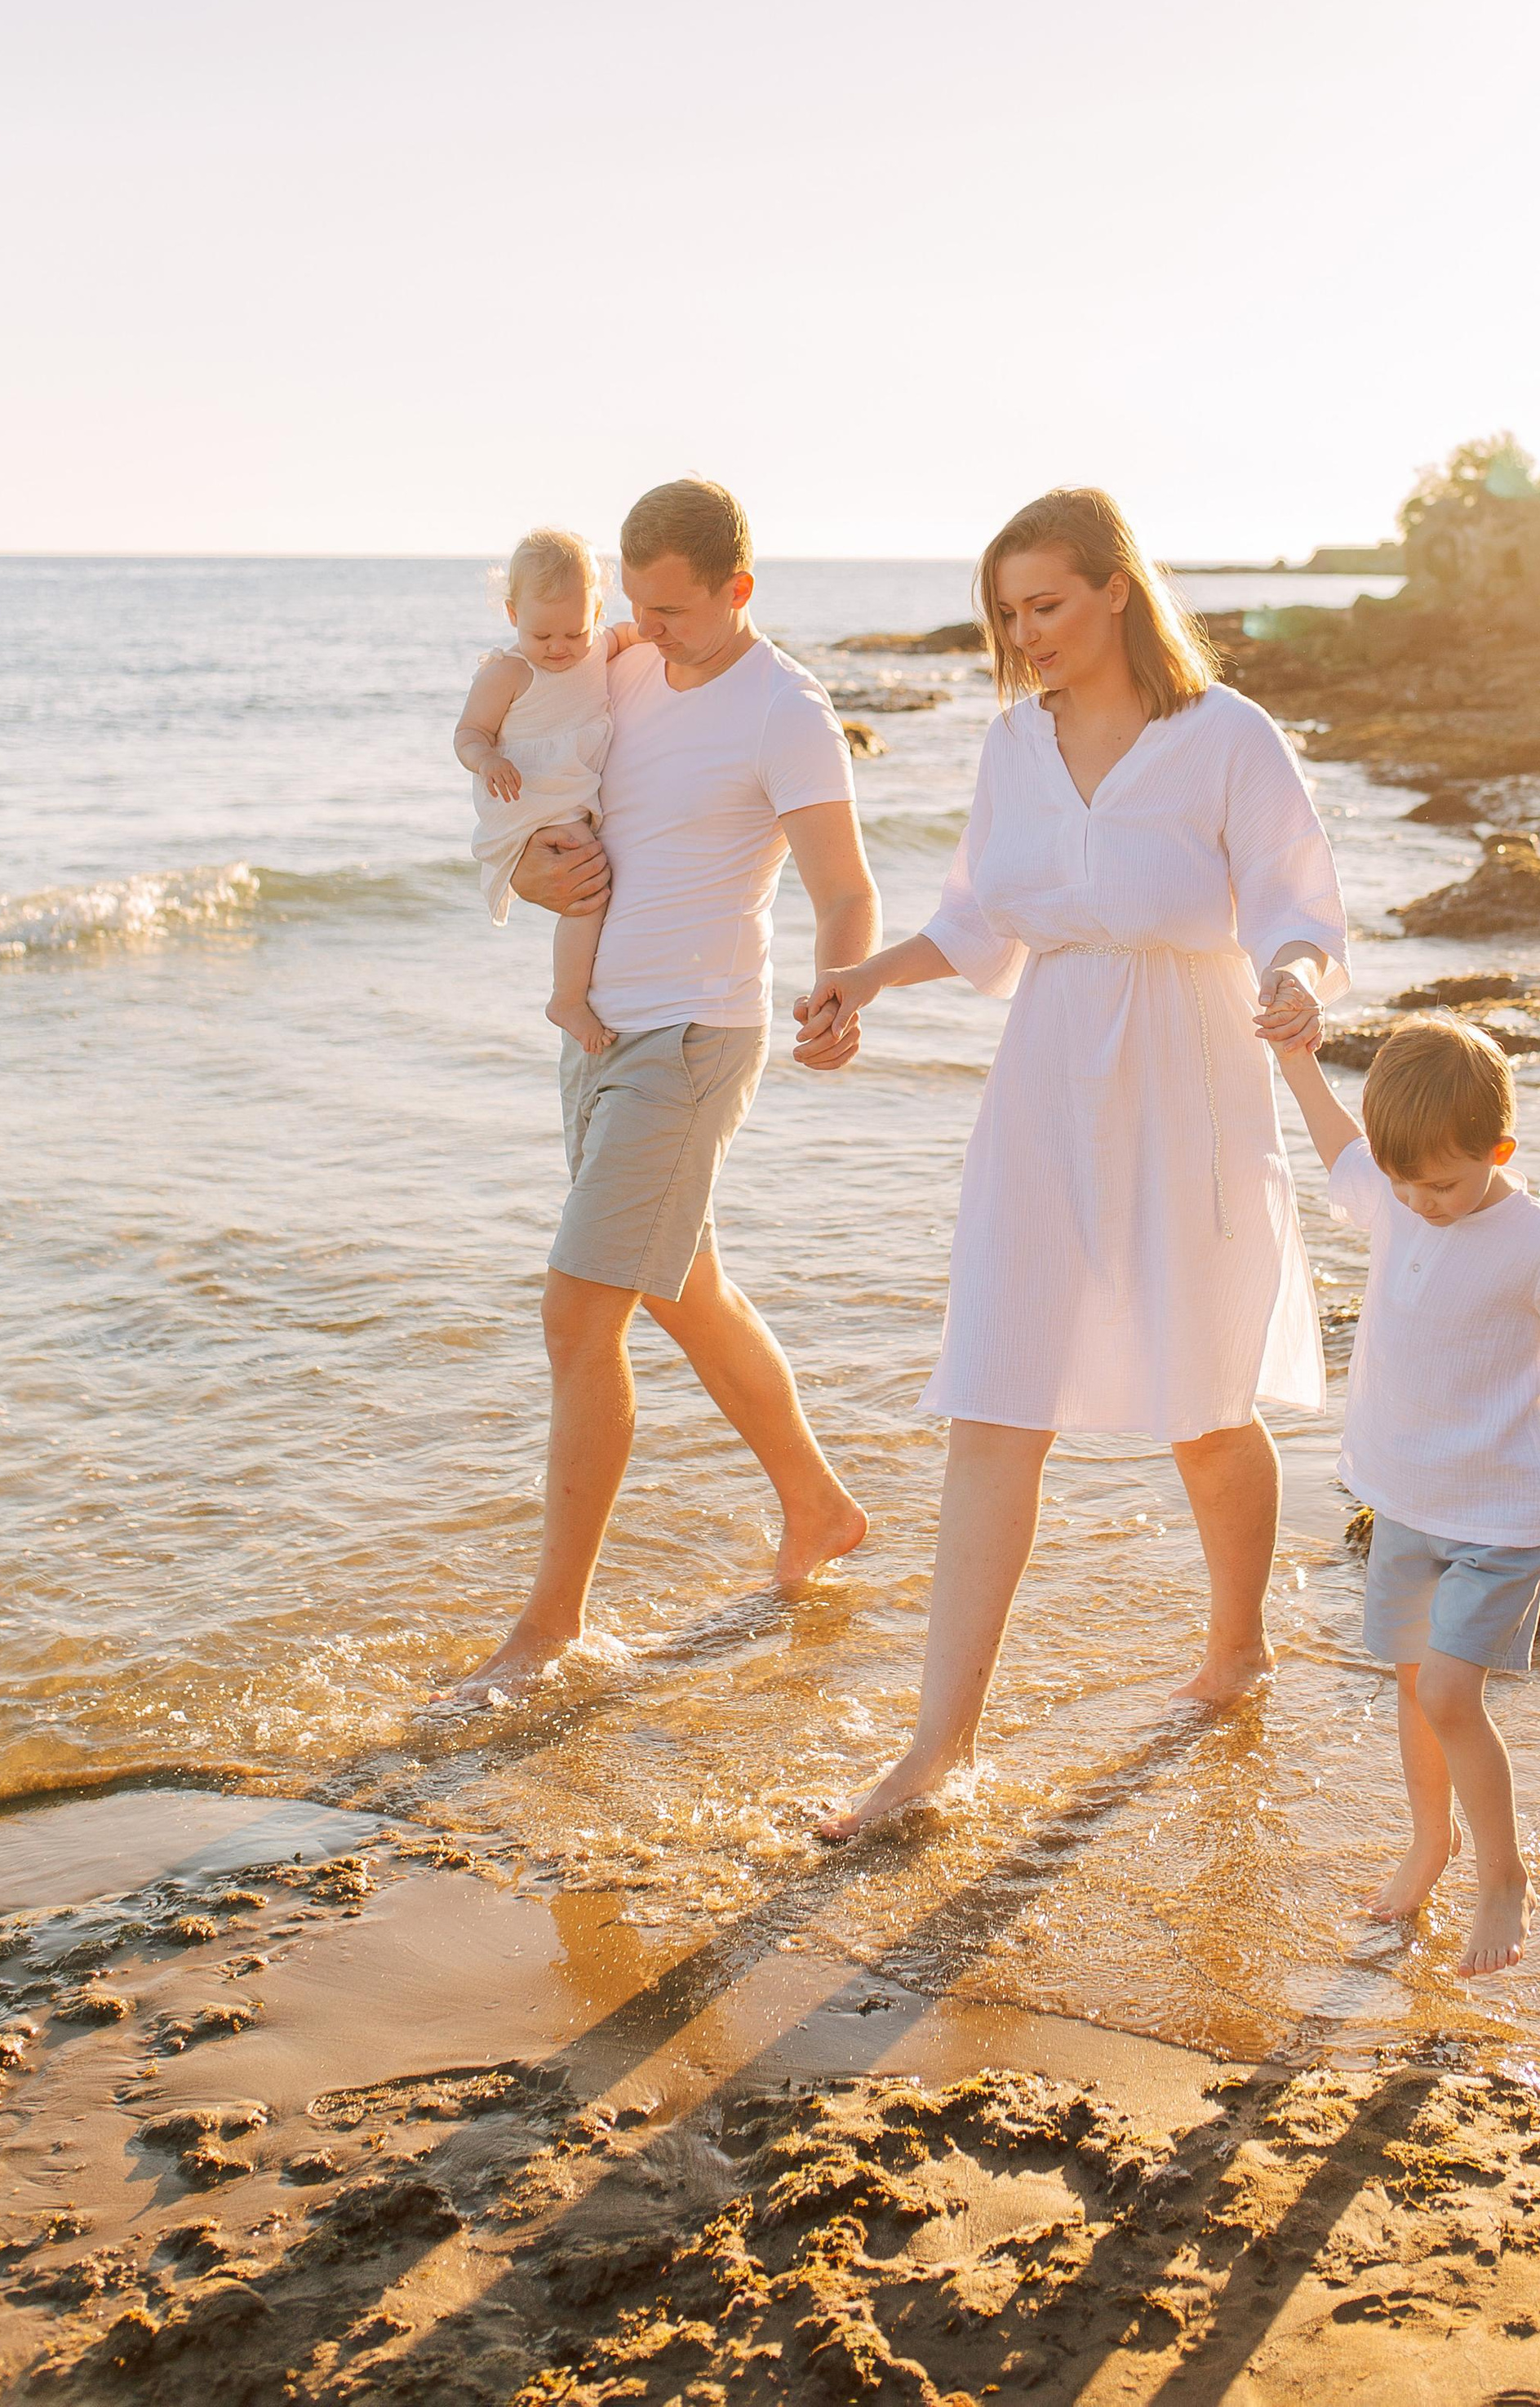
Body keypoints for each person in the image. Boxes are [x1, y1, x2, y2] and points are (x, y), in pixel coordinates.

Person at [794, 485, 1349, 1836]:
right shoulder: (1009, 748)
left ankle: (1239, 1646)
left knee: (1207, 1406)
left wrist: (1291, 974)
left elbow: (1294, 897)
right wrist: (866, 977)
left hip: (1194, 1072)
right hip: (1045, 1079)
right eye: (1006, 613)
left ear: (1115, 588)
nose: (1026, 633)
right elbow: (981, 918)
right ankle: (940, 1749)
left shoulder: (1226, 737)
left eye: (1046, 604)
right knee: (996, 1394)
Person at [444, 477, 877, 1700]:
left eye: (674, 610)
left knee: (579, 1316)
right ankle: (820, 1506)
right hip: (596, 1037)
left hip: (691, 1041)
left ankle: (548, 1630)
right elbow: (533, 779)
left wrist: (845, 992)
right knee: (688, 1287)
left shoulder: (787, 709)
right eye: (634, 606)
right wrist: (531, 874)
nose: (646, 630)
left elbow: (845, 888)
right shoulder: (623, 663)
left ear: (738, 592)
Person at [1276, 1014, 1540, 1977]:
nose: (1419, 1200)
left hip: (1498, 1519)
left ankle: (1501, 1876)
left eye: (1442, 1182)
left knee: (1448, 1691)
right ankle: (1427, 1842)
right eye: (1406, 1181)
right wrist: (1294, 1060)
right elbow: (1338, 1148)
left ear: (1498, 1151)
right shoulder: (1399, 1191)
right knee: (1411, 1683)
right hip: (1405, 1501)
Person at [453, 526, 636, 1052]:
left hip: (568, 793)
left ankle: (570, 994)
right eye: (541, 635)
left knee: (590, 883)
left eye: (574, 633)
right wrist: (485, 760)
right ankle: (567, 999)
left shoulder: (597, 645)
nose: (559, 648)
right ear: (513, 616)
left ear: (597, 612)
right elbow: (469, 733)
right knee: (588, 889)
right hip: (525, 796)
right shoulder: (508, 672)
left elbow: (631, 635)